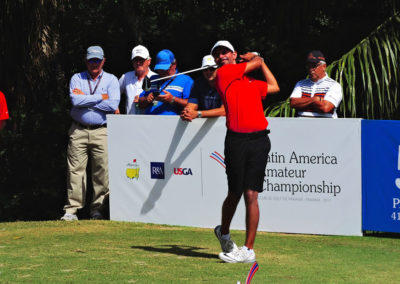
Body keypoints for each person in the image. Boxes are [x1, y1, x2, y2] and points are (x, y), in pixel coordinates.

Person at [211, 40, 280, 263]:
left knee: (252, 194)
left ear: (234, 55)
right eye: (217, 54)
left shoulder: (250, 81)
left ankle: (248, 250)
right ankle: (224, 233)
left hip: (259, 139)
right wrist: (256, 58)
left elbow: (274, 87)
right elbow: (256, 62)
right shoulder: (224, 74)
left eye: (225, 52)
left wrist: (262, 62)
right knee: (235, 193)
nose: (220, 56)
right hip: (236, 140)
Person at [61, 46, 120, 221]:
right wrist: (101, 97)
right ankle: (71, 210)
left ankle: (98, 210)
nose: (94, 63)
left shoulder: (111, 79)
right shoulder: (76, 78)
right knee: (75, 171)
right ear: (86, 61)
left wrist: (86, 99)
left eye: (97, 60)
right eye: (91, 60)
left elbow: (113, 105)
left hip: (102, 130)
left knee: (101, 172)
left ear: (103, 61)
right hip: (78, 129)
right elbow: (75, 100)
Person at [138, 49, 193, 115]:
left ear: (174, 64)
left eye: (165, 68)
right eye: (160, 69)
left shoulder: (186, 80)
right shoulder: (152, 79)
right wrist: (147, 99)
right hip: (149, 123)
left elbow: (192, 105)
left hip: (172, 123)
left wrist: (172, 99)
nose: (162, 71)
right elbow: (139, 104)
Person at [289, 50, 343, 118]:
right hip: (302, 126)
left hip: (325, 126)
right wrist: (315, 99)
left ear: (324, 66)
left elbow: (326, 108)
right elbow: (293, 103)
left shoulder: (334, 85)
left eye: (314, 66)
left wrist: (303, 102)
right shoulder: (300, 84)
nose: (311, 69)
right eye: (308, 66)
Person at [180, 55, 225, 121]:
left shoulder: (226, 82)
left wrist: (198, 114)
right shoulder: (198, 83)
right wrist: (187, 112)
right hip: (204, 124)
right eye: (205, 69)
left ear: (218, 68)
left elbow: (224, 111)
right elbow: (192, 104)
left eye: (212, 68)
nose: (208, 72)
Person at [119, 45, 157, 114]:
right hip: (130, 122)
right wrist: (115, 108)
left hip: (150, 122)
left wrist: (145, 99)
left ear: (149, 61)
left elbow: (159, 103)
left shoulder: (156, 78)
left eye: (141, 60)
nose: (138, 63)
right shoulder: (125, 77)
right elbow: (114, 94)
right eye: (135, 59)